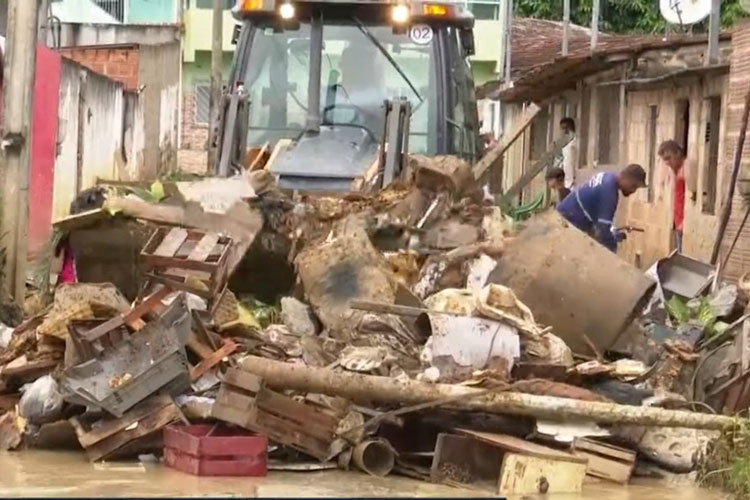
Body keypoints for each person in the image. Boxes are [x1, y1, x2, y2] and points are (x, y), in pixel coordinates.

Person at [557, 164, 647, 252]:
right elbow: (603, 231)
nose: (633, 191)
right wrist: (613, 245)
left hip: (564, 215)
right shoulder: (610, 192)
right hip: (568, 221)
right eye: (634, 186)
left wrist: (611, 235)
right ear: (626, 178)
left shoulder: (607, 176)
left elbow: (599, 225)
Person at [658, 140, 687, 253]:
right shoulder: (673, 172)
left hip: (684, 224)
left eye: (669, 158)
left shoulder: (685, 170)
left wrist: (683, 223)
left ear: (678, 153)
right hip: (677, 222)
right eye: (664, 159)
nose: (666, 162)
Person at [557, 117, 578, 189]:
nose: (561, 132)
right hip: (565, 181)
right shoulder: (564, 146)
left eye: (563, 129)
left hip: (572, 182)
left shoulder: (574, 143)